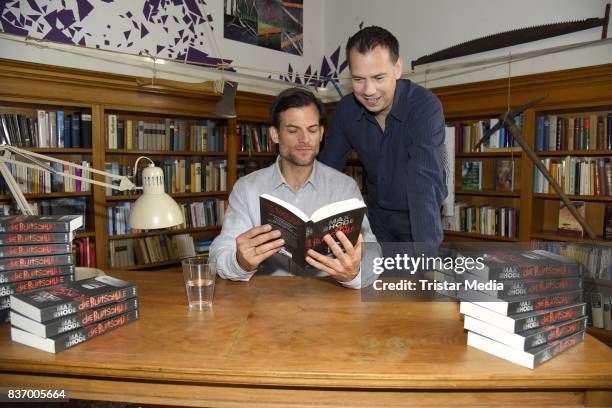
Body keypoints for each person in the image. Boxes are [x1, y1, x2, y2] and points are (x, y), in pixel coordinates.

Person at [209, 88, 379, 289]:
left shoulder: (345, 187)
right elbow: (218, 256)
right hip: (267, 304)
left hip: (329, 302)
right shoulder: (247, 188)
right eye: (292, 130)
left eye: (312, 130)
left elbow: (373, 251)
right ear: (275, 134)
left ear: (321, 133)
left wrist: (354, 274)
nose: (305, 139)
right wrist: (239, 261)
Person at [319, 26, 447, 245]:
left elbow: (423, 186)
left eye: (378, 77)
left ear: (397, 68)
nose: (369, 90)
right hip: (375, 216)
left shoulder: (425, 107)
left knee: (417, 276)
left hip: (419, 217)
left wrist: (426, 262)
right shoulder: (346, 110)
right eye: (358, 80)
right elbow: (327, 171)